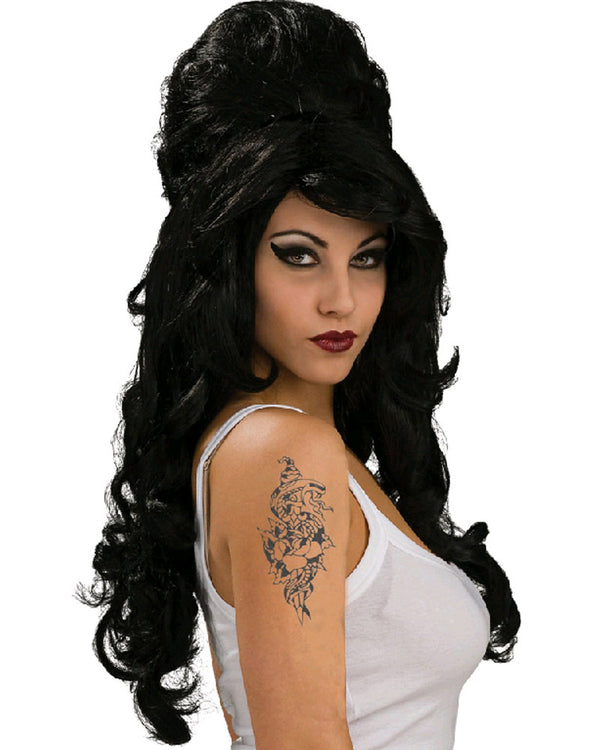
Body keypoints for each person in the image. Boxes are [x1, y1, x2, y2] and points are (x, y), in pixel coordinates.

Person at [80, 1, 520, 748]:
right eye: (299, 254)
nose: (341, 298)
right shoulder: (285, 456)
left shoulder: (301, 448)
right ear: (229, 262)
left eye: (367, 257)